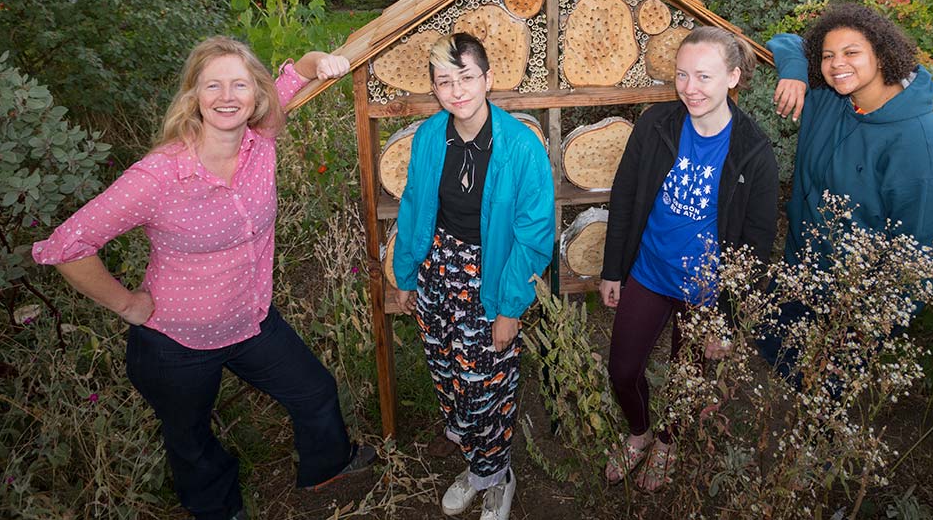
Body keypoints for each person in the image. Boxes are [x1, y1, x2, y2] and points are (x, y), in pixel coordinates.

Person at [32, 36, 375, 520]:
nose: (227, 96)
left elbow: (299, 72)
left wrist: (324, 60)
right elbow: (67, 246)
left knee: (315, 391)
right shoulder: (158, 176)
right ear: (193, 95)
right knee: (190, 439)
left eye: (239, 84)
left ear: (257, 96)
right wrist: (128, 304)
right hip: (177, 344)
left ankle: (327, 467)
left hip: (252, 321)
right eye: (213, 85)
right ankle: (219, 509)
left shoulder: (262, 139)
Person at [598, 26, 779, 491]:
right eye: (682, 75)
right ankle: (638, 434)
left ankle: (667, 443)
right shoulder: (655, 125)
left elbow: (756, 244)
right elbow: (625, 197)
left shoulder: (753, 152)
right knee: (622, 369)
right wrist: (613, 269)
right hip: (650, 271)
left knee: (686, 379)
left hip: (707, 291)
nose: (690, 89)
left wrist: (729, 318)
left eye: (704, 76)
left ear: (733, 77)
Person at [756, 2, 933, 382]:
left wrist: (861, 335)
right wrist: (795, 73)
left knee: (816, 398)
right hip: (797, 273)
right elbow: (785, 41)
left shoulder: (920, 148)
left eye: (852, 53)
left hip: (849, 309)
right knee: (770, 361)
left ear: (882, 56)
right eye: (827, 56)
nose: (837, 64)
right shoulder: (832, 100)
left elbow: (919, 263)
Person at [392, 32, 554, 520]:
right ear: (435, 89)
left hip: (490, 276)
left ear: (488, 78)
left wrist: (509, 309)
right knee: (448, 374)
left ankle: (498, 476)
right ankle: (475, 465)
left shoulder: (521, 147)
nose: (458, 90)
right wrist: (405, 274)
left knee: (488, 384)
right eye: (445, 81)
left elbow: (534, 235)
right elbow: (416, 206)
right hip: (438, 272)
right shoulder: (427, 137)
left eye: (467, 77)